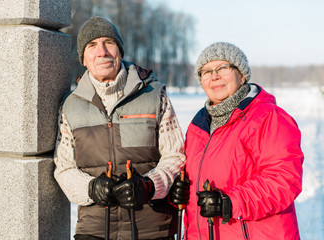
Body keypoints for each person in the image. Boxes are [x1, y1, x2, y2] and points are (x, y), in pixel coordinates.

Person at [53, 16, 186, 240]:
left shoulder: (154, 95)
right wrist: (91, 188)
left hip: (151, 228)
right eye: (92, 45)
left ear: (120, 51)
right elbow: (64, 168)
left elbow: (176, 155)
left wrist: (149, 186)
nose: (102, 51)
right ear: (83, 58)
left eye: (109, 42)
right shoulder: (70, 105)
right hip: (94, 229)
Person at [170, 42, 304, 239]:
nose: (214, 76)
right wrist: (179, 192)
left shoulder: (268, 117)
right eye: (206, 71)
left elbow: (284, 181)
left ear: (241, 75)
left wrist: (230, 202)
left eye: (223, 68)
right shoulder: (198, 126)